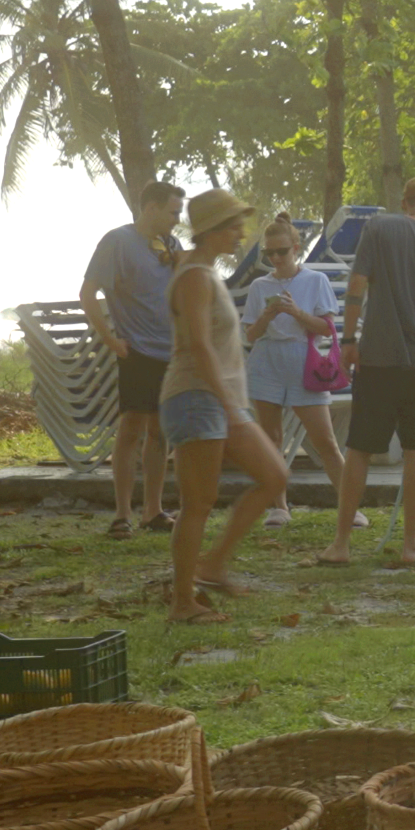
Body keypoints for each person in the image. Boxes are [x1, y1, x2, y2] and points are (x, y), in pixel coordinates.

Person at [315, 176, 415, 567]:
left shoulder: (381, 227)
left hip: (378, 358)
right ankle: (411, 545)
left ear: (405, 202)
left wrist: (350, 339)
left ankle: (340, 544)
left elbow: (357, 283)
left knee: (359, 447)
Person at [159, 190, 288, 624]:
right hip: (196, 395)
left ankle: (212, 566)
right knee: (198, 502)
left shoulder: (206, 274)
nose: (241, 233)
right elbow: (197, 344)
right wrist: (230, 405)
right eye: (234, 226)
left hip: (222, 399)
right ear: (211, 230)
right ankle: (182, 601)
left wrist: (234, 403)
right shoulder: (194, 276)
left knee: (274, 476)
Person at [80, 179, 184, 538]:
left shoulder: (173, 245)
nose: (176, 220)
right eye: (172, 212)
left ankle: (152, 511)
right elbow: (88, 293)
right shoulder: (117, 242)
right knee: (132, 428)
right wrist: (109, 339)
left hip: (170, 351)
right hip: (136, 349)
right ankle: (122, 514)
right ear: (151, 207)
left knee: (160, 432)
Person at [238, 215, 353, 529]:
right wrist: (267, 315)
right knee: (271, 438)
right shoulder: (261, 285)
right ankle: (279, 506)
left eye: (282, 251)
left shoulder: (315, 281)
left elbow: (327, 329)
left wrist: (296, 312)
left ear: (296, 249)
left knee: (325, 441)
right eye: (269, 253)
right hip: (267, 360)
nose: (275, 258)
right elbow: (250, 335)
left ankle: (350, 507)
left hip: (303, 357)